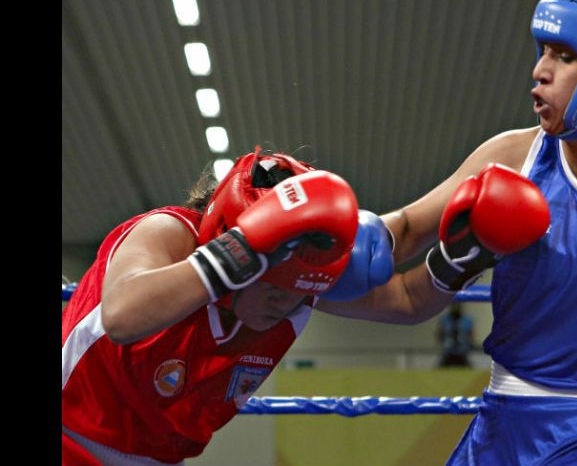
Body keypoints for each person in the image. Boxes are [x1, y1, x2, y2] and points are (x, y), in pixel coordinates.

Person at [317, 0, 577, 464]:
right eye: (543, 51)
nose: (539, 71)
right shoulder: (511, 157)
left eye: (565, 56)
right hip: (499, 429)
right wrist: (315, 254)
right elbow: (401, 234)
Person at [61, 146, 395, 464]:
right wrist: (243, 250)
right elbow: (121, 317)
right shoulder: (168, 234)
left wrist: (446, 260)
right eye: (271, 278)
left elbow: (408, 291)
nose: (283, 297)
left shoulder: (297, 281)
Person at [436, 303, 475, 367]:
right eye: (454, 305)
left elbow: (472, 335)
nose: (456, 307)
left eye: (458, 305)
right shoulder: (444, 320)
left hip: (462, 352)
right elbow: (439, 334)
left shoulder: (467, 320)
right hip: (448, 352)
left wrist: (471, 345)